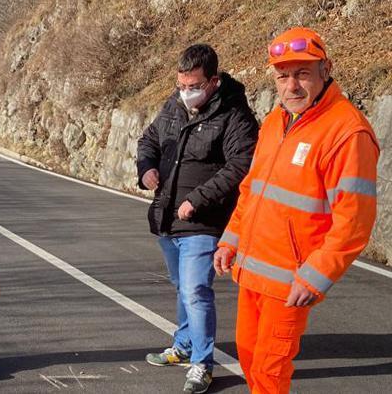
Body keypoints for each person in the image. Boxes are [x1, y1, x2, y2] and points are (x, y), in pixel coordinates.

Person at [214, 27, 379, 393]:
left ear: (326, 69)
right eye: (283, 76)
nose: (292, 86)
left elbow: (354, 221)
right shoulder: (276, 121)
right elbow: (252, 190)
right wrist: (230, 240)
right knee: (248, 359)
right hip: (251, 273)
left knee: (271, 373)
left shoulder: (347, 133)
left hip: (289, 283)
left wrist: (314, 276)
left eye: (303, 73)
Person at [137, 44, 259, 394]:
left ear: (213, 81)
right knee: (182, 288)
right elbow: (149, 140)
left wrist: (197, 199)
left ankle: (202, 363)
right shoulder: (174, 106)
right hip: (167, 216)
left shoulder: (235, 115)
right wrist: (145, 168)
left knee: (195, 289)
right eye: (181, 85)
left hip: (204, 221)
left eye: (193, 86)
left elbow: (241, 166)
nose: (186, 92)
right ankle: (184, 344)